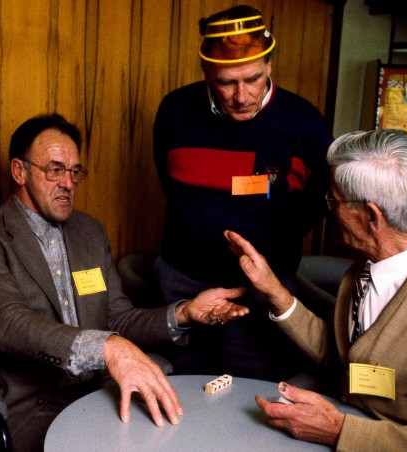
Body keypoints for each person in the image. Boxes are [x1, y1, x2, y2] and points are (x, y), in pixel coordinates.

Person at [0, 113, 249, 452]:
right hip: (29, 407)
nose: (68, 182)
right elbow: (6, 321)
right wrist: (107, 348)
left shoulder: (89, 232)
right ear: (20, 171)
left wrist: (184, 313)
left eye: (74, 171)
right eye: (54, 170)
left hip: (97, 394)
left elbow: (117, 318)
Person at [224, 129, 407, 450]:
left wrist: (339, 431)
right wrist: (273, 289)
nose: (330, 210)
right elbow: (342, 357)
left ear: (370, 215)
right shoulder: (365, 266)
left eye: (334, 200)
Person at [153, 4, 333, 381]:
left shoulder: (303, 122)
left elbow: (321, 199)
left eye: (252, 79)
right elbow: (170, 182)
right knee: (180, 386)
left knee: (250, 393)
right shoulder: (174, 111)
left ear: (269, 66)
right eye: (226, 83)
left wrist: (274, 247)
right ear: (206, 72)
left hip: (260, 290)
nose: (241, 95)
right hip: (181, 281)